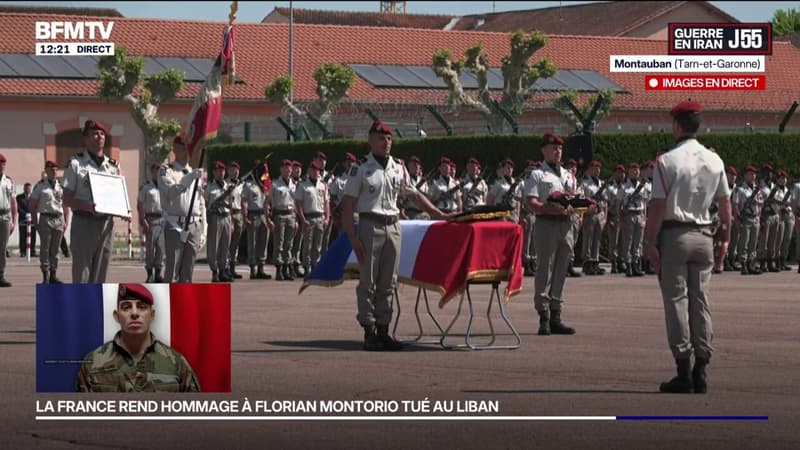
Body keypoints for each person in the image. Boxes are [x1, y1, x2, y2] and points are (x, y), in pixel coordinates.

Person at [643, 100, 731, 394]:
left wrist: (649, 240)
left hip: (675, 236)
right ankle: (702, 368)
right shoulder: (715, 160)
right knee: (701, 300)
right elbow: (725, 204)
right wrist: (725, 238)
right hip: (705, 235)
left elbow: (657, 206)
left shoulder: (666, 161)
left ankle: (683, 370)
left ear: (677, 125)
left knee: (677, 301)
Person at [341, 120, 450, 351]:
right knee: (368, 281)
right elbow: (348, 205)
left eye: (389, 138)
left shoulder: (397, 167)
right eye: (381, 138)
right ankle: (369, 331)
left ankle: (384, 329)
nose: (386, 142)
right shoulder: (360, 168)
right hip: (370, 225)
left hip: (393, 226)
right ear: (371, 140)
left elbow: (414, 195)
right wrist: (352, 237)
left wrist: (438, 213)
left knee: (389, 282)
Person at [76, 283, 201, 392]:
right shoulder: (93, 363)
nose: (135, 313)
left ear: (152, 315)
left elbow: (194, 415)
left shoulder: (176, 364)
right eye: (126, 307)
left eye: (142, 307)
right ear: (117, 316)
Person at [524, 133, 583, 336]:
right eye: (553, 148)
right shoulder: (537, 174)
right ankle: (544, 315)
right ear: (544, 150)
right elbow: (531, 202)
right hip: (546, 224)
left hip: (566, 224)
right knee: (545, 270)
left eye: (559, 148)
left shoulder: (568, 175)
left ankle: (556, 314)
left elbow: (575, 198)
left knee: (561, 270)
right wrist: (549, 209)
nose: (557, 152)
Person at [62, 119, 120, 283]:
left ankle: (95, 308)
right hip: (84, 223)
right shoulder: (76, 163)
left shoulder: (113, 166)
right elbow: (66, 198)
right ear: (85, 138)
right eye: (94, 133)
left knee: (100, 276)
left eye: (102, 134)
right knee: (82, 275)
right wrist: (88, 206)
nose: (99, 137)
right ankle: (80, 309)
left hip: (106, 225)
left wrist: (124, 210)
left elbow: (117, 196)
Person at [160, 135, 206, 283]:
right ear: (175, 150)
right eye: (182, 149)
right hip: (175, 225)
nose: (186, 153)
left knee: (188, 271)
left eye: (188, 149)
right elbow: (172, 192)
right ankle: (169, 303)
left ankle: (183, 304)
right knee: (172, 270)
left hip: (194, 226)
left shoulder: (195, 172)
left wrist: (203, 228)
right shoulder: (167, 171)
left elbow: (201, 203)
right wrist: (188, 179)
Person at [30, 161, 69, 284]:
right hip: (46, 218)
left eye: (55, 169)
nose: (54, 171)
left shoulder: (61, 185)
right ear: (46, 171)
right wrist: (36, 223)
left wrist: (66, 221)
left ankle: (53, 274)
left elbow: (66, 205)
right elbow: (32, 205)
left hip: (59, 218)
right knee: (45, 249)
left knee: (55, 249)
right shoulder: (40, 186)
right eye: (51, 169)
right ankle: (45, 275)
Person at [295, 160, 330, 274]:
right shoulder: (303, 185)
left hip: (320, 217)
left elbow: (326, 203)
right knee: (307, 245)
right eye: (313, 170)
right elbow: (298, 204)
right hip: (308, 217)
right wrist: (302, 219)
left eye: (318, 170)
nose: (316, 172)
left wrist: (327, 217)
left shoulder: (323, 185)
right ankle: (307, 267)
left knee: (318, 245)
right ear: (309, 171)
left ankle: (316, 265)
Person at [618, 162, 650, 277]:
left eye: (637, 170)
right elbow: (619, 203)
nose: (636, 172)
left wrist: (644, 217)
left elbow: (645, 203)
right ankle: (628, 265)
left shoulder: (643, 186)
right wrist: (620, 219)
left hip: (639, 214)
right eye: (633, 170)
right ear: (629, 172)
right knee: (628, 241)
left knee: (638, 242)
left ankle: (636, 264)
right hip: (629, 215)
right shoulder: (623, 186)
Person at [205, 161, 235, 282]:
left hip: (226, 216)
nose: (220, 173)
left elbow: (231, 205)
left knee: (225, 245)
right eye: (218, 171)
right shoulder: (209, 188)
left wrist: (231, 221)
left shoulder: (228, 187)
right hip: (215, 217)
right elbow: (206, 204)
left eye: (222, 171)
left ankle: (223, 270)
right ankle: (215, 271)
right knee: (214, 245)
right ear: (214, 173)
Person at [242, 160, 272, 280]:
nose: (262, 172)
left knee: (263, 242)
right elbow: (244, 202)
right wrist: (245, 217)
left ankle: (261, 268)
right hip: (253, 215)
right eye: (259, 169)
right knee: (252, 243)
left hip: (264, 215)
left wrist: (269, 217)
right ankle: (253, 269)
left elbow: (268, 202)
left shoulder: (265, 184)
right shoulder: (249, 185)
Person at [137, 162, 165, 283]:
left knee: (161, 248)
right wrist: (143, 220)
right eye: (155, 171)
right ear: (152, 172)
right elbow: (140, 204)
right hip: (151, 219)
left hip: (163, 220)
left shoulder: (165, 186)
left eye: (159, 171)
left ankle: (158, 273)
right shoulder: (146, 187)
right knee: (150, 248)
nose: (157, 173)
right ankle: (149, 274)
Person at [270, 160, 297, 281]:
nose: (288, 170)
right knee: (279, 244)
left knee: (289, 244)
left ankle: (287, 268)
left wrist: (296, 219)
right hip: (279, 215)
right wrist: (269, 219)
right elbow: (268, 203)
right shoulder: (275, 184)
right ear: (281, 170)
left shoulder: (294, 184)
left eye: (289, 168)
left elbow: (296, 203)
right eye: (285, 168)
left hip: (291, 215)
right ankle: (279, 270)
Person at [734, 166, 763, 275]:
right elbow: (735, 205)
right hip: (745, 219)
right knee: (744, 243)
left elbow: (760, 205)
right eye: (751, 174)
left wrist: (759, 218)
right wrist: (737, 220)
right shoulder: (740, 189)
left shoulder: (757, 189)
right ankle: (743, 265)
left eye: (754, 174)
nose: (753, 176)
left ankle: (751, 263)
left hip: (755, 218)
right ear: (745, 175)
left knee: (753, 242)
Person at [580, 160, 607, 276]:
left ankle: (595, 262)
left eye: (599, 168)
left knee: (597, 239)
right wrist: (584, 213)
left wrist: (605, 216)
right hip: (590, 213)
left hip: (600, 213)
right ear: (589, 170)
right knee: (588, 238)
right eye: (595, 168)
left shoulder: (602, 184)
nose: (597, 170)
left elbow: (606, 201)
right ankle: (587, 262)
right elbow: (582, 199)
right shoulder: (585, 184)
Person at [0, 153, 17, 287]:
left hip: (5, 217)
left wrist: (14, 220)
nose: (1, 166)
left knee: (2, 248)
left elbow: (13, 202)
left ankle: (0, 275)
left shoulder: (9, 181)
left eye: (3, 164)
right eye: (0, 163)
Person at [225, 161, 245, 280]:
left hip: (239, 214)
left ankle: (233, 266)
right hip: (230, 214)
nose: (235, 172)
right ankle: (226, 267)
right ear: (228, 171)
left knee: (236, 243)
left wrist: (244, 216)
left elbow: (243, 201)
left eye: (237, 170)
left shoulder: (241, 184)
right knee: (227, 243)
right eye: (233, 170)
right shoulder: (226, 184)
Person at [606, 165, 626, 273]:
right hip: (614, 215)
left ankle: (621, 261)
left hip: (625, 216)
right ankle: (613, 263)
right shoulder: (610, 187)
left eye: (622, 173)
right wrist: (608, 219)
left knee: (623, 241)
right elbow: (607, 204)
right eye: (619, 172)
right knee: (614, 241)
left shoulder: (626, 187)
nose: (621, 175)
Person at [774, 170, 794, 271]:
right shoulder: (775, 190)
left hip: (789, 215)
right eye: (781, 178)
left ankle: (783, 261)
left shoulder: (788, 190)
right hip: (780, 215)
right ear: (778, 179)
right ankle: (776, 261)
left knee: (787, 239)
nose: (784, 180)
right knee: (779, 240)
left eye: (785, 178)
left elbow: (792, 203)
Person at [16, 182, 37, 257]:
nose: (27, 190)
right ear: (23, 188)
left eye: (28, 188)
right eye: (26, 188)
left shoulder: (34, 197)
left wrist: (32, 214)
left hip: (32, 219)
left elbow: (36, 206)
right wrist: (25, 214)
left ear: (30, 189)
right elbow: (18, 207)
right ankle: (23, 251)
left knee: (33, 235)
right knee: (22, 235)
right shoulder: (19, 197)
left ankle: (32, 251)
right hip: (22, 219)